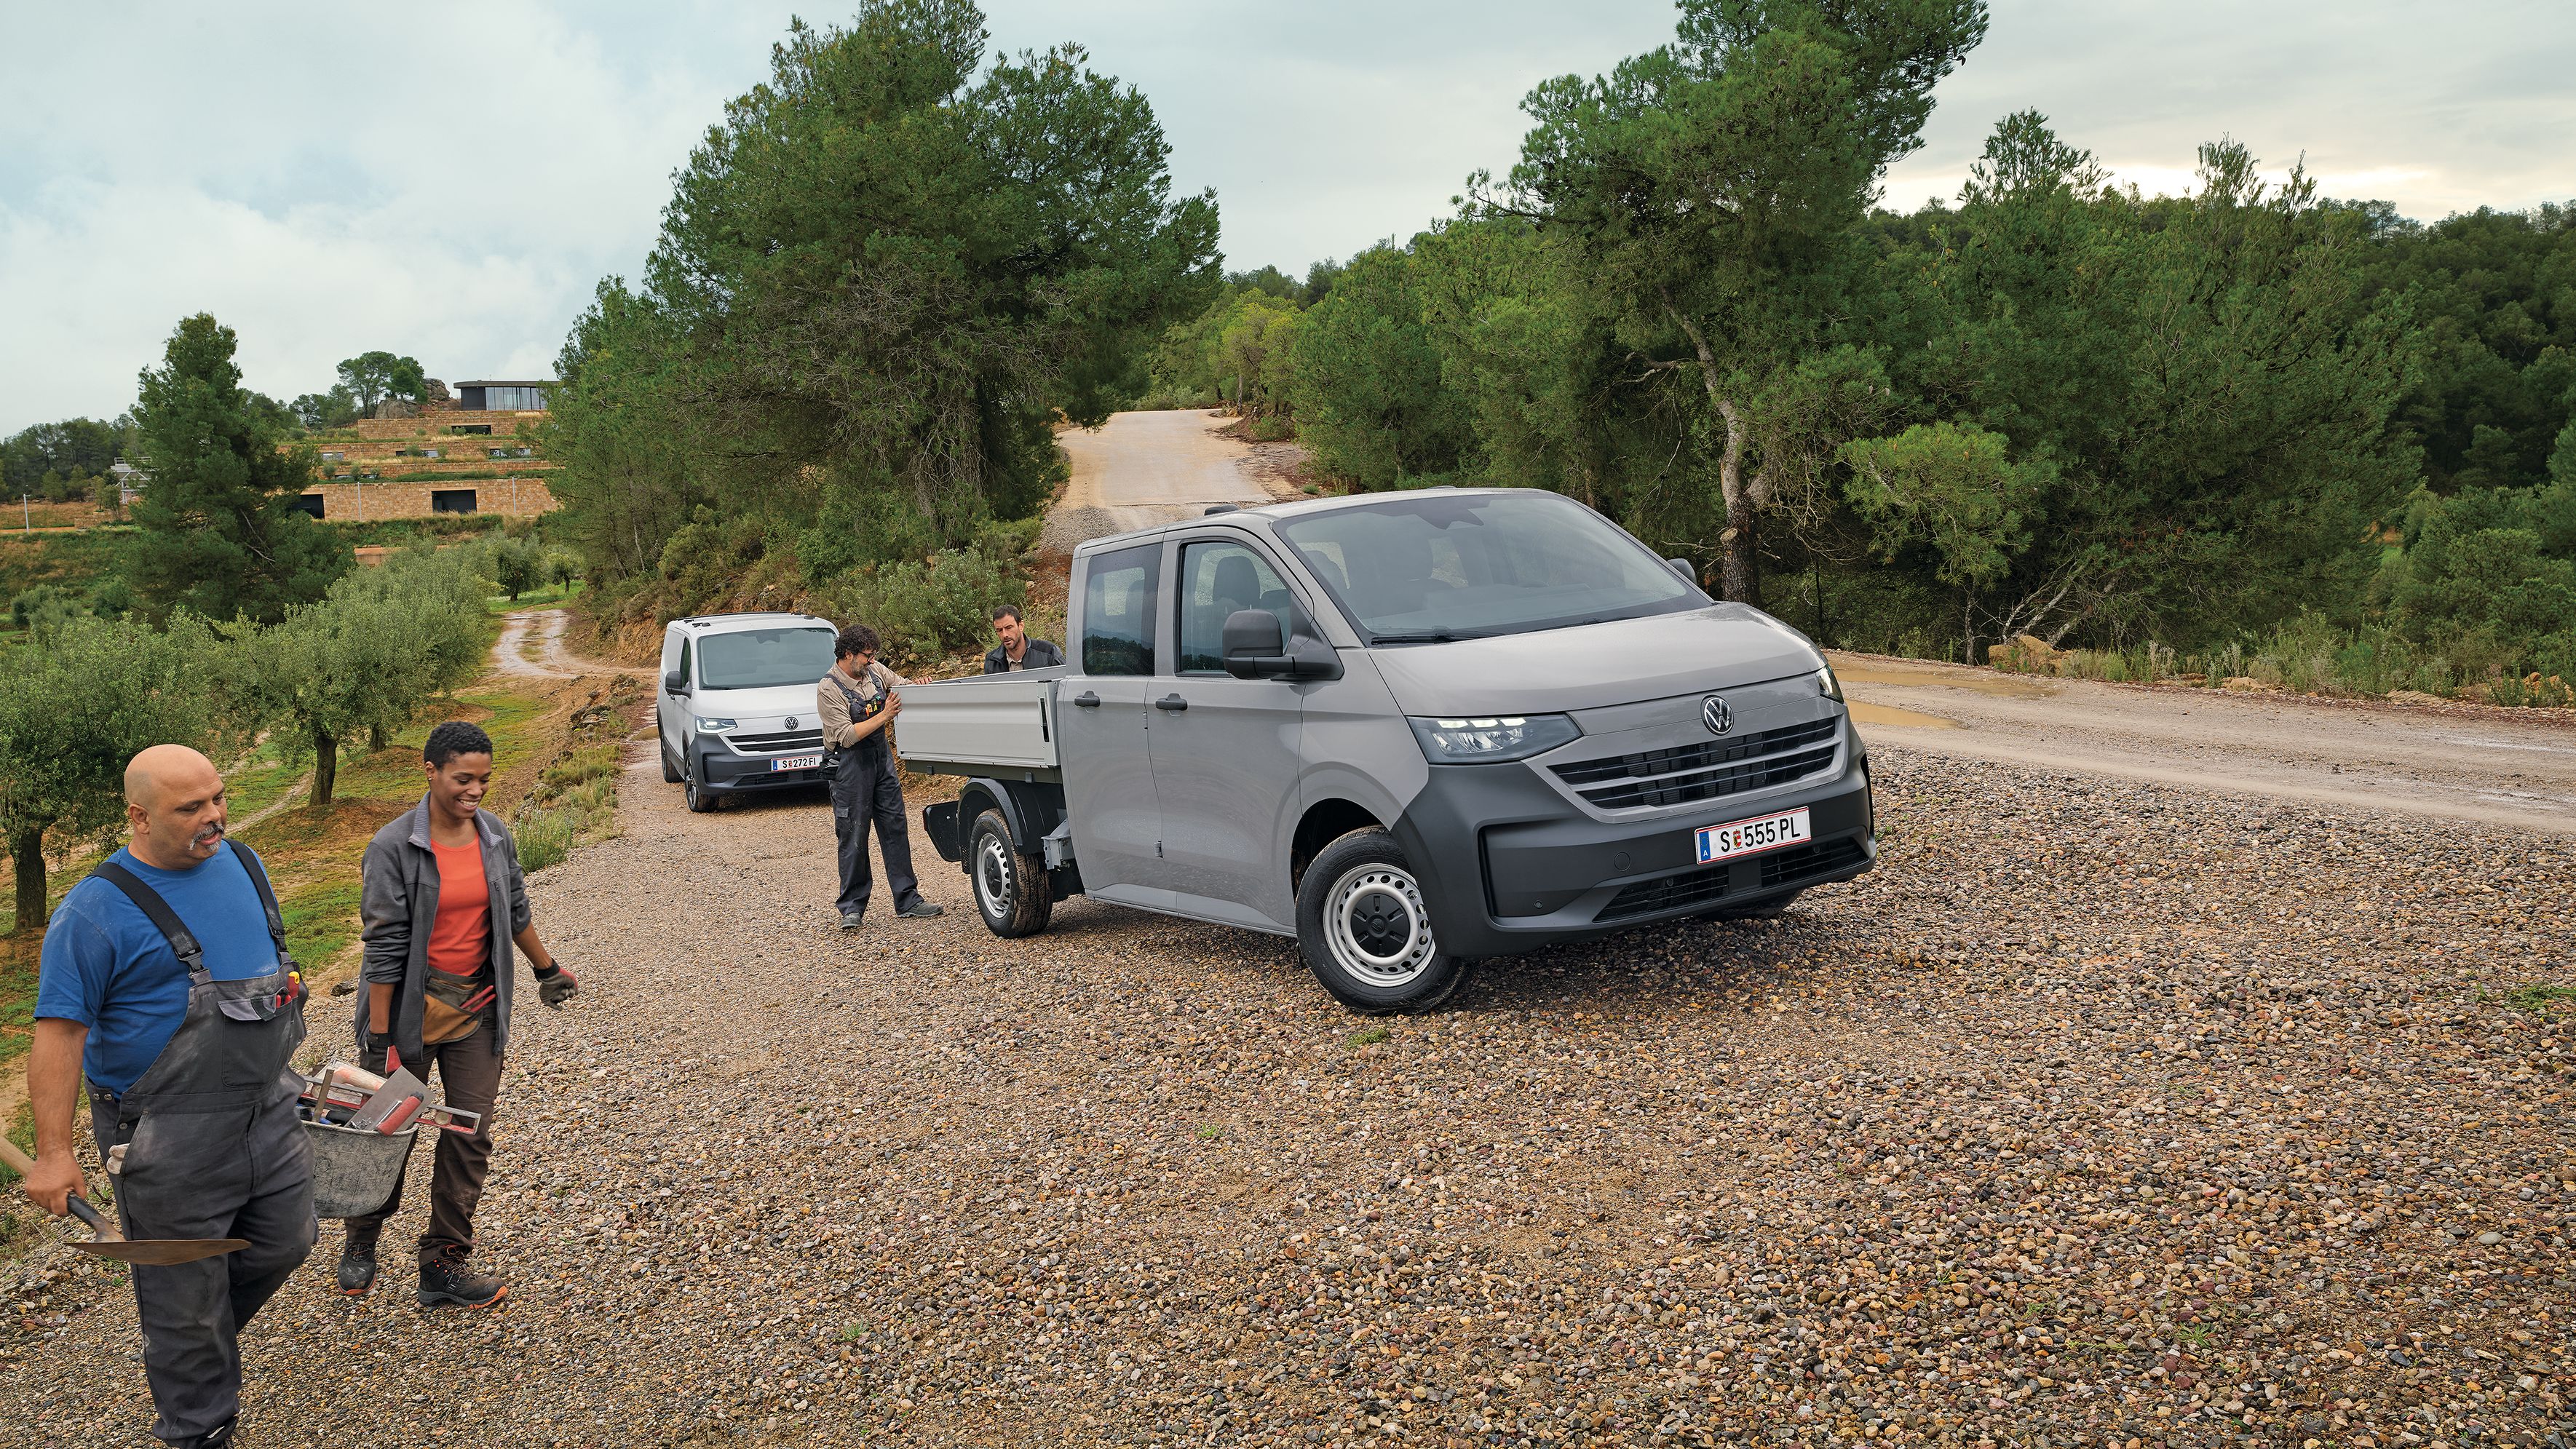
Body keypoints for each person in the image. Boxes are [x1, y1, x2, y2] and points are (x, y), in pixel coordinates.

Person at [25, 744, 314, 1449]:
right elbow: (58, 1036)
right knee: (184, 1303)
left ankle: (192, 1348)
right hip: (167, 1136)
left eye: (218, 796)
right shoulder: (93, 911)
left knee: (287, 1240)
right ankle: (198, 1424)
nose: (214, 816)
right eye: (191, 807)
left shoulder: (245, 862)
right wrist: (56, 1152)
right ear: (139, 814)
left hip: (268, 1108)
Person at [344, 720, 577, 1309]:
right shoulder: (393, 846)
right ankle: (361, 1237)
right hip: (404, 1019)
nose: (475, 791)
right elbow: (385, 948)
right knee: (383, 1135)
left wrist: (547, 969)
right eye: (462, 778)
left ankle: (442, 1263)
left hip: (476, 1010)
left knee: (468, 1134)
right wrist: (380, 1039)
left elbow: (515, 910)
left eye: (484, 780)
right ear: (430, 771)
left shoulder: (493, 835)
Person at [817, 623, 943, 929]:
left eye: (874, 655)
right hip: (849, 768)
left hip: (880, 761)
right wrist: (885, 715)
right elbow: (847, 735)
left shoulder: (875, 672)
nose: (873, 660)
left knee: (895, 827)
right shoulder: (829, 688)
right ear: (848, 654)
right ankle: (852, 906)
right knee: (854, 835)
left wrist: (918, 684)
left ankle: (908, 899)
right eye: (867, 656)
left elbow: (902, 687)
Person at [983, 603, 1063, 673]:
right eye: (999, 630)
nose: (1005, 635)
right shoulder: (992, 661)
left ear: (1021, 626)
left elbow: (1067, 686)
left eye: (1009, 627)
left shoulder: (1048, 652)